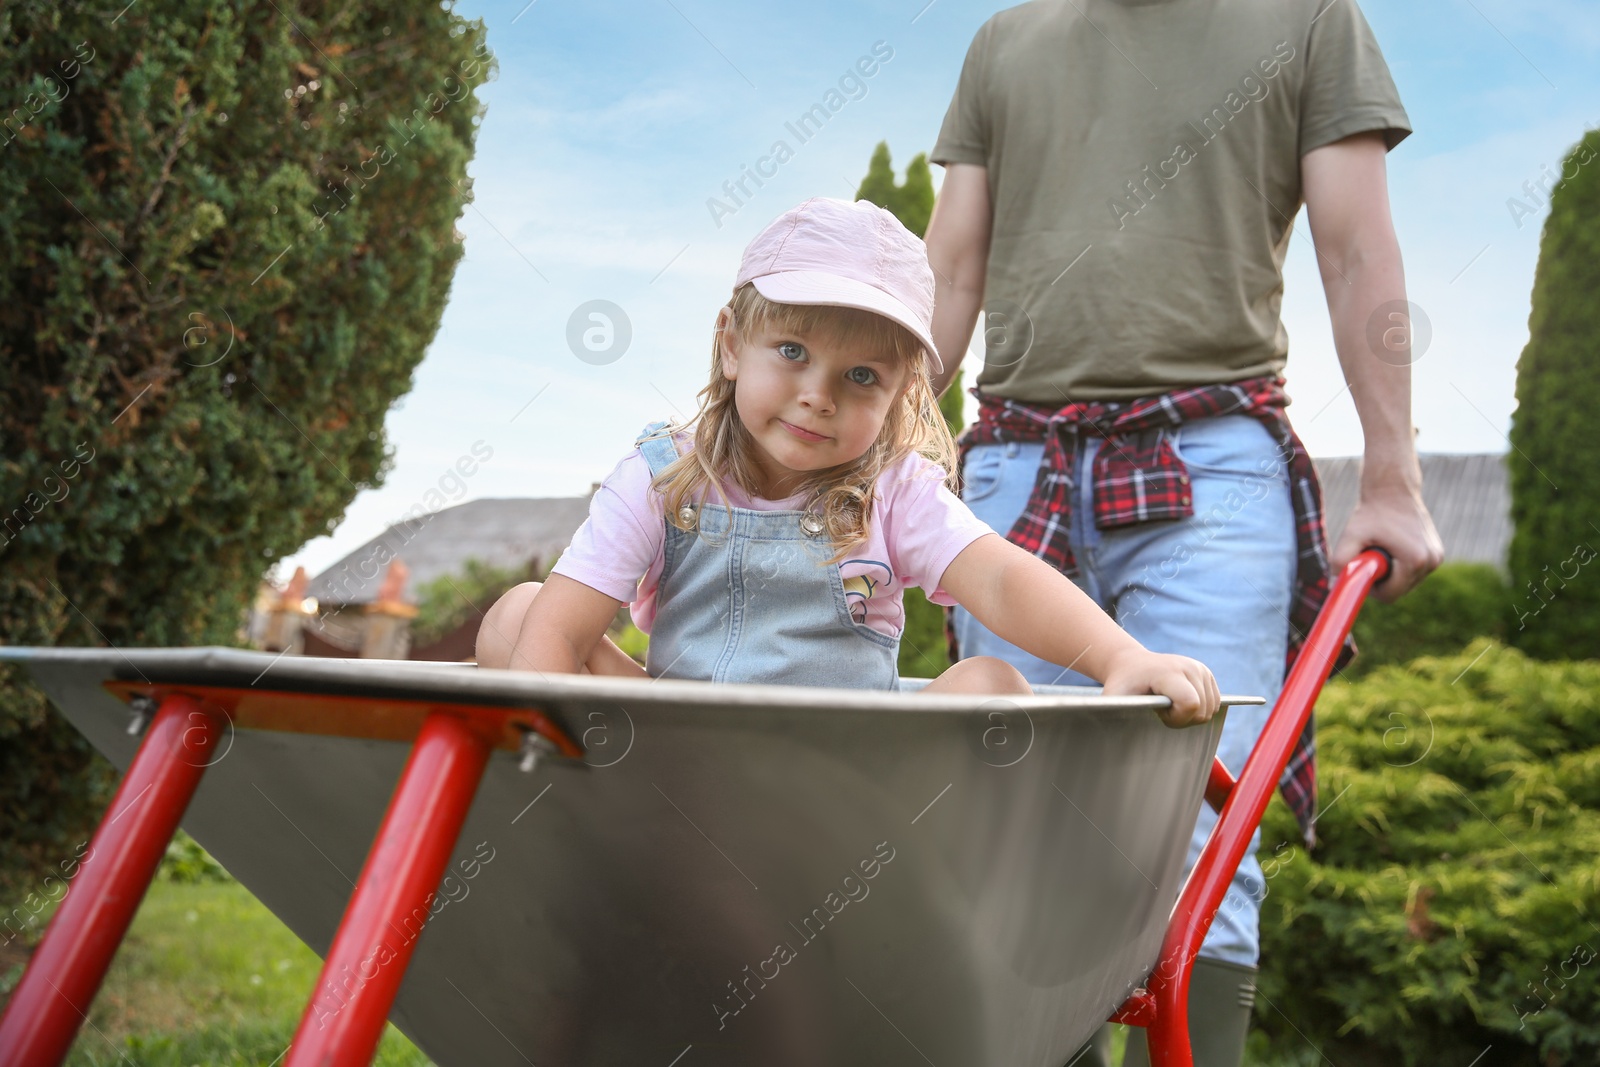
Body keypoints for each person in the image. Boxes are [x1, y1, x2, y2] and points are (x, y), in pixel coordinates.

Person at [923, 2, 1444, 1064]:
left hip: (1210, 461)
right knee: (1017, 827)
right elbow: (951, 271)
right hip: (1015, 459)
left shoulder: (1308, 20)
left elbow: (1354, 249)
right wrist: (871, 463)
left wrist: (1391, 471)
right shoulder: (1004, 42)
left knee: (1199, 832)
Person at [476, 196, 1219, 729]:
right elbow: (563, 631)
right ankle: (596, 809)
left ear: (900, 396)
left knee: (991, 682)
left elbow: (997, 575)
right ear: (732, 343)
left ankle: (911, 878)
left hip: (851, 774)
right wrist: (556, 766)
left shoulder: (894, 491)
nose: (817, 396)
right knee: (518, 616)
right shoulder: (663, 475)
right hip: (678, 755)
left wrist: (1119, 657)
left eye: (861, 376)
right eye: (792, 352)